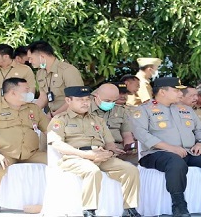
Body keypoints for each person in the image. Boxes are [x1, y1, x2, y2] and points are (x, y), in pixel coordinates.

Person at [132, 77, 201, 217]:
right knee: (175, 162)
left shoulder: (185, 109)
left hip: (189, 151)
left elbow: (200, 129)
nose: (180, 94)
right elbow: (142, 134)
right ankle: (179, 206)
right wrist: (170, 148)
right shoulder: (143, 110)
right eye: (176, 90)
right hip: (157, 154)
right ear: (163, 92)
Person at [48, 86, 141, 217]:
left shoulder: (97, 120)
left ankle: (130, 209)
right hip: (75, 157)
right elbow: (57, 144)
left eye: (87, 99)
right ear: (68, 100)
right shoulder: (60, 120)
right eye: (80, 100)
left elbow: (109, 143)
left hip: (100, 155)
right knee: (92, 171)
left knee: (130, 170)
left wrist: (109, 153)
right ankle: (89, 210)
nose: (85, 103)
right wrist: (86, 155)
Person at [0, 77, 49, 213]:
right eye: (26, 90)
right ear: (13, 92)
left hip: (32, 153)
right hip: (4, 153)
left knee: (60, 163)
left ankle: (58, 199)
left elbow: (49, 130)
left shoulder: (33, 109)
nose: (30, 92)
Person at [28, 41, 84, 116]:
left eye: (31, 58)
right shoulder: (40, 73)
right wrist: (31, 112)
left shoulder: (67, 70)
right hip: (53, 115)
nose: (29, 61)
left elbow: (76, 98)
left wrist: (55, 115)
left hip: (71, 116)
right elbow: (43, 97)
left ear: (42, 57)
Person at [90, 83, 137, 163]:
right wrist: (109, 148)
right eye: (107, 101)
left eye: (114, 101)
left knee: (142, 161)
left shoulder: (121, 111)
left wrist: (129, 148)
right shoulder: (85, 110)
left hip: (119, 150)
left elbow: (127, 136)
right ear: (96, 95)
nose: (111, 103)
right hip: (97, 149)